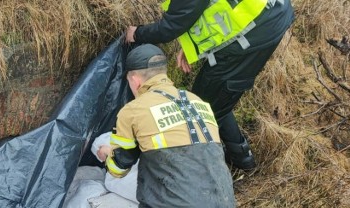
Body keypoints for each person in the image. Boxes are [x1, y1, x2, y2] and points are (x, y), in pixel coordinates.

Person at [97, 44, 235, 208]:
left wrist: (106, 154)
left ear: (135, 80)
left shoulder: (134, 111)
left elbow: (119, 168)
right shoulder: (198, 103)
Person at [125, 0, 294, 170]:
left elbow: (173, 24)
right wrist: (194, 45)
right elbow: (201, 9)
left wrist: (137, 34)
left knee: (202, 106)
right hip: (264, 15)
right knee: (212, 96)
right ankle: (241, 158)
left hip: (259, 27)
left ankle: (217, 166)